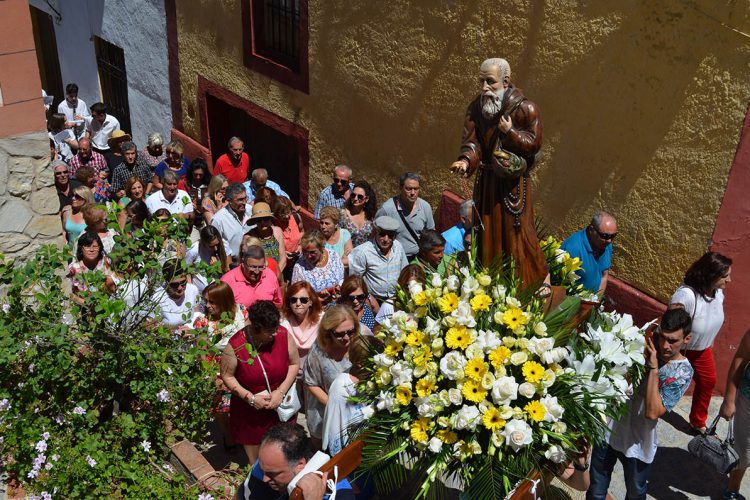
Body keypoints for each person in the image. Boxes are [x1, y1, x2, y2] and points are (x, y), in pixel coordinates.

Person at [450, 58, 546, 285]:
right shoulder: (476, 108)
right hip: (487, 183)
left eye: (490, 82)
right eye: (481, 81)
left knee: (517, 235)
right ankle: (490, 281)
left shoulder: (526, 109)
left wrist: (510, 131)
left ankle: (524, 283)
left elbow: (534, 144)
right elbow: (472, 142)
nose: (484, 88)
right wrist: (465, 160)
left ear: (505, 81)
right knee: (487, 234)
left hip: (513, 185)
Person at [587, 308, 694, 500]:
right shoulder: (643, 343)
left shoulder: (682, 372)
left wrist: (653, 368)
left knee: (636, 494)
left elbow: (653, 412)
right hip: (608, 430)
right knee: (596, 490)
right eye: (662, 337)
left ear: (687, 339)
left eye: (672, 341)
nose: (664, 346)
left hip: (638, 443)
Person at [221, 301, 300, 463]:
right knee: (258, 461)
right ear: (256, 328)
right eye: (270, 331)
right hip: (250, 413)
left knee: (286, 454)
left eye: (277, 327)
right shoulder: (235, 346)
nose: (276, 333)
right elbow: (227, 376)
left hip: (281, 405)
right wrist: (249, 397)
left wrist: (281, 391)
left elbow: (294, 363)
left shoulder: (284, 335)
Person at [669, 251, 732, 433]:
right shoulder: (686, 296)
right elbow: (671, 325)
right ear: (711, 275)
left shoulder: (717, 293)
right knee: (666, 382)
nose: (729, 280)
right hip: (679, 351)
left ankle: (697, 422)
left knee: (707, 382)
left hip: (702, 350)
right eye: (725, 276)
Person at [236, 422, 355, 500]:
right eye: (263, 470)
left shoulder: (340, 493)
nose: (264, 479)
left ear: (300, 465)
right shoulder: (266, 465)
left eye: (273, 474)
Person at [192, 280, 248, 446]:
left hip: (242, 363)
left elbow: (250, 338)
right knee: (222, 408)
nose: (208, 306)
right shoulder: (203, 322)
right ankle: (228, 436)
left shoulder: (241, 312)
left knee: (243, 404)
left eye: (212, 302)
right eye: (206, 301)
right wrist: (211, 376)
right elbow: (202, 352)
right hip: (218, 367)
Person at [303, 304, 357, 450]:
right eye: (339, 334)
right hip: (325, 413)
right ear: (328, 333)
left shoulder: (362, 339)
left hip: (356, 413)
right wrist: (336, 407)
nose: (346, 338)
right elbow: (310, 383)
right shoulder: (318, 351)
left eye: (350, 332)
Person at [322, 334, 371, 455]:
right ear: (360, 363)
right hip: (350, 453)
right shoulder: (341, 387)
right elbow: (336, 430)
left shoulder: (372, 378)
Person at [719, 328, 750, 500]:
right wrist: (729, 400)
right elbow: (740, 359)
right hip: (748, 403)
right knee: (743, 449)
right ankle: (732, 491)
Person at [348, 216, 408, 303]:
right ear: (376, 232)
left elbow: (405, 271)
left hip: (397, 299)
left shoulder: (398, 246)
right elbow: (355, 281)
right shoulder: (362, 252)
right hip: (373, 301)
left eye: (390, 236)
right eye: (382, 234)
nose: (386, 239)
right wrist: (368, 301)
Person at [376, 172, 435, 260]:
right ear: (400, 188)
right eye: (408, 189)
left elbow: (431, 233)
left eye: (416, 189)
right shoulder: (387, 209)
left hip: (418, 258)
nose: (412, 193)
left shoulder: (425, 207)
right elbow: (375, 233)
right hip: (394, 258)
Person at [281, 281, 323, 401]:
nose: (298, 303)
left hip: (316, 377)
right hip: (290, 377)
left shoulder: (323, 321)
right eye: (293, 300)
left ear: (311, 301)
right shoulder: (283, 323)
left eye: (303, 300)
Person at [561, 212, 617, 295]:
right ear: (591, 230)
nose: (609, 241)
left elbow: (604, 276)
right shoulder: (572, 248)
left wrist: (596, 300)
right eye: (605, 236)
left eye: (613, 236)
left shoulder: (605, 244)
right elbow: (560, 285)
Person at [291, 231, 344, 303]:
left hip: (338, 303)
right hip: (315, 307)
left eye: (312, 252)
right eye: (305, 252)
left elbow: (342, 278)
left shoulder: (333, 255)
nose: (308, 256)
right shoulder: (300, 266)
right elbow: (296, 294)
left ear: (322, 248)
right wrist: (316, 298)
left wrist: (338, 287)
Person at [66, 230, 114, 305]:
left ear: (100, 248)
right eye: (87, 246)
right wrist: (87, 304)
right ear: (81, 248)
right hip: (82, 309)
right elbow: (69, 294)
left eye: (95, 246)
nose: (91, 250)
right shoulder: (74, 269)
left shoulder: (106, 263)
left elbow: (114, 288)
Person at [374, 264, 425, 329]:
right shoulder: (389, 306)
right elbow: (376, 333)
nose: (410, 291)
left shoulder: (429, 307)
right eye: (407, 286)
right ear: (401, 285)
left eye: (416, 286)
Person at [154, 259, 201, 330]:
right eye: (174, 285)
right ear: (166, 282)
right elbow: (153, 326)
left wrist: (191, 329)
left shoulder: (192, 290)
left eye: (183, 283)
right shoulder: (158, 297)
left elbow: (197, 314)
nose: (180, 288)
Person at [185, 225, 231, 292]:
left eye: (217, 244)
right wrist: (190, 289)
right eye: (211, 246)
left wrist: (218, 268)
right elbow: (187, 271)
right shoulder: (194, 250)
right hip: (200, 292)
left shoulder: (224, 245)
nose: (215, 249)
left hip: (220, 289)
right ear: (203, 243)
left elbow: (228, 272)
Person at [211, 182, 252, 257]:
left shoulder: (251, 211)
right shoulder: (219, 220)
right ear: (229, 200)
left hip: (255, 261)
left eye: (245, 198)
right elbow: (214, 246)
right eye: (240, 200)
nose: (244, 202)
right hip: (232, 263)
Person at [246, 202, 287, 275]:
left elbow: (283, 258)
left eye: (265, 219)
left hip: (278, 274)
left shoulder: (277, 231)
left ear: (270, 219)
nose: (262, 222)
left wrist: (275, 276)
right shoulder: (249, 237)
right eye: (259, 220)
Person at [274, 198, 304, 282]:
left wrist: (300, 245)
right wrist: (282, 253)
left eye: (288, 212)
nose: (287, 216)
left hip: (297, 260)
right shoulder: (273, 224)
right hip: (282, 264)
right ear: (276, 214)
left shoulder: (296, 217)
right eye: (282, 214)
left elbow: (302, 232)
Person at [340, 180, 377, 248]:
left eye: (360, 196)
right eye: (353, 195)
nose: (355, 198)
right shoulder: (343, 214)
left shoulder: (371, 216)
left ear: (366, 199)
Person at [179, 158, 210, 228]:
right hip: (191, 221)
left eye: (200, 175)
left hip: (206, 219)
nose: (198, 177)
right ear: (191, 172)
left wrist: (205, 208)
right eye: (195, 174)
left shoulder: (209, 184)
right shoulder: (184, 184)